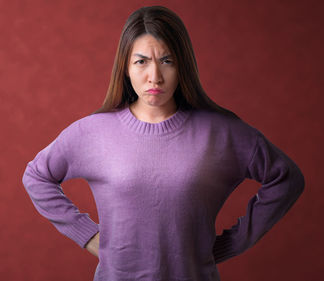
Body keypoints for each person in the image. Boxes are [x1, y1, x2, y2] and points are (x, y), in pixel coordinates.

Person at [22, 5, 305, 281]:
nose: (154, 77)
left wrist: (235, 242)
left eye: (167, 61)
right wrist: (87, 235)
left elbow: (286, 179)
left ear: (182, 66)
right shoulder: (92, 132)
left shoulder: (221, 132)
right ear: (125, 68)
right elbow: (37, 176)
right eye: (141, 61)